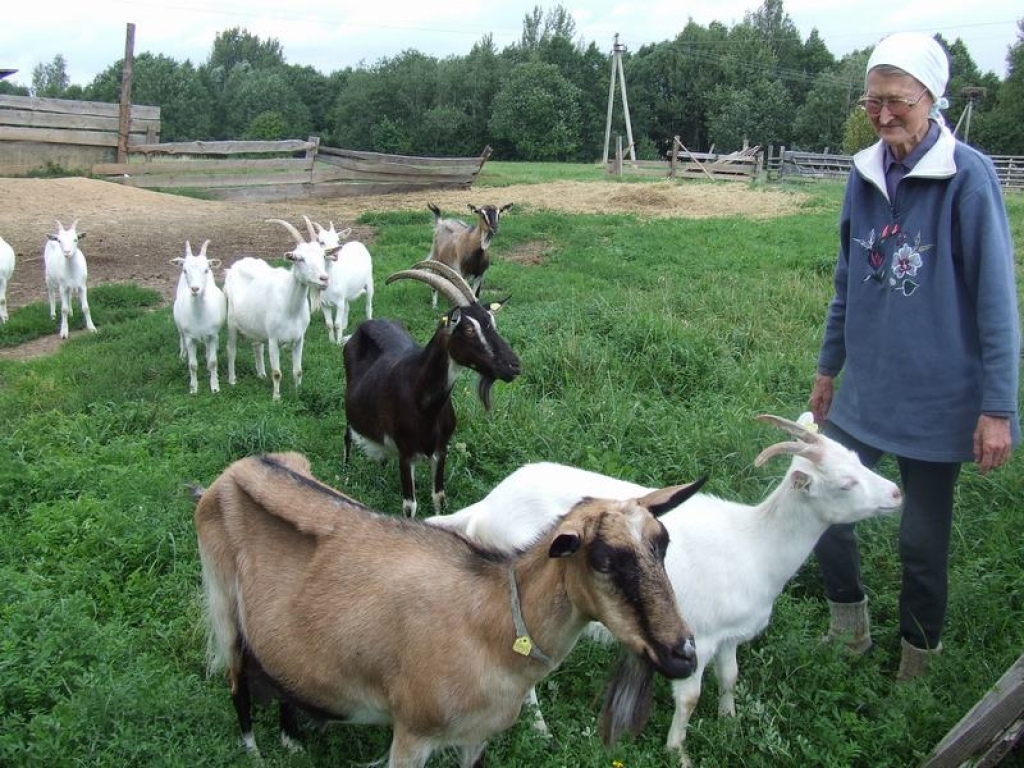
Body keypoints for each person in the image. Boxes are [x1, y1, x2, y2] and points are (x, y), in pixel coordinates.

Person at [808, 32, 1020, 681]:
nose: (883, 115)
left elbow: (995, 300)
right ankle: (850, 627)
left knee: (920, 543)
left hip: (937, 399)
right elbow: (848, 279)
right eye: (873, 101)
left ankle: (917, 663)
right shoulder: (864, 175)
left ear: (932, 97)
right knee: (820, 497)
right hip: (865, 391)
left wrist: (997, 409)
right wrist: (827, 369)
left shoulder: (968, 178)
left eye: (896, 101)